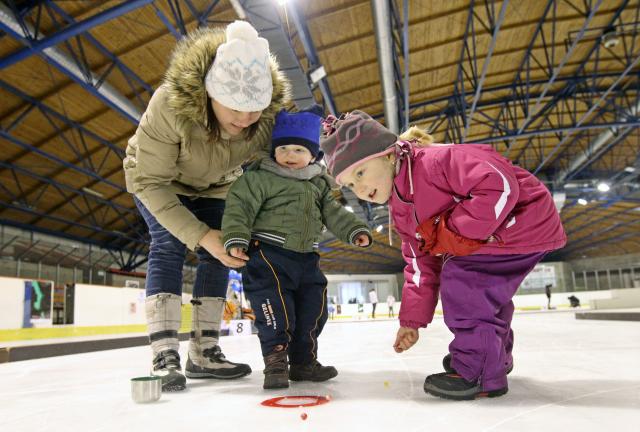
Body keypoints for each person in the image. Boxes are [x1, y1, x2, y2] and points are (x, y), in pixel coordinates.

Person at [320, 111, 566, 400]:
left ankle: (480, 370)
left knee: (464, 286)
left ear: (387, 155)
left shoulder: (434, 162)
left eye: (360, 173)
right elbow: (419, 265)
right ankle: (491, 357)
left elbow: (498, 183)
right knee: (479, 292)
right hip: (506, 233)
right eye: (349, 185)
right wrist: (411, 320)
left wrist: (453, 230)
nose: (359, 189)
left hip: (519, 221)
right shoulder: (401, 210)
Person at [123, 21, 291, 392]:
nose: (245, 120)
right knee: (169, 245)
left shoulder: (262, 121)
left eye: (254, 110)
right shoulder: (170, 105)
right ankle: (164, 352)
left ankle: (204, 351)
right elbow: (150, 182)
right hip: (157, 181)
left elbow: (289, 155)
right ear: (211, 92)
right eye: (234, 107)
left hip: (216, 185)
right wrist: (199, 234)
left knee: (223, 252)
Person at [221, 108, 373, 389]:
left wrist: (354, 230)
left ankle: (303, 362)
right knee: (275, 310)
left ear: (313, 155)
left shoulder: (317, 185)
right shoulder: (259, 178)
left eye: (299, 149)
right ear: (274, 151)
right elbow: (239, 208)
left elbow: (335, 213)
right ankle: (276, 361)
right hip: (268, 254)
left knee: (313, 309)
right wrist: (236, 238)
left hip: (306, 258)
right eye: (284, 148)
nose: (290, 155)